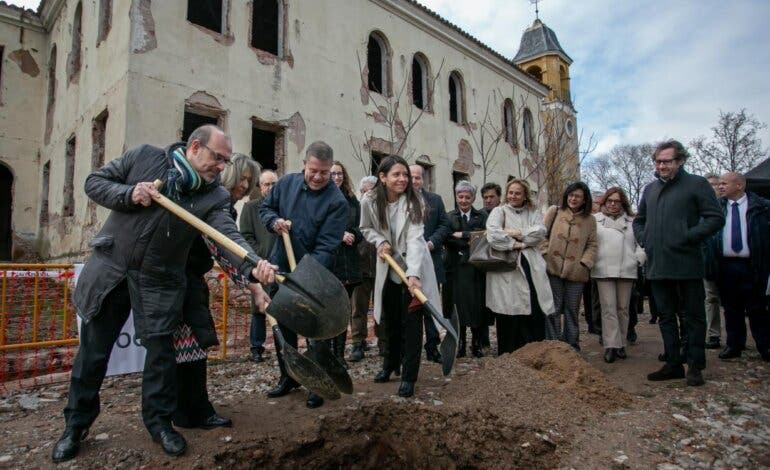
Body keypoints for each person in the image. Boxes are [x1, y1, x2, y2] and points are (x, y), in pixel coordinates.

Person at [52, 125, 275, 463]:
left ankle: (159, 424)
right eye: (218, 159)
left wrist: (253, 264)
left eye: (225, 161)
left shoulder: (212, 197)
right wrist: (130, 195)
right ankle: (75, 426)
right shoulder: (145, 158)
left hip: (158, 283)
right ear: (196, 147)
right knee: (93, 355)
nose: (221, 167)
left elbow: (227, 236)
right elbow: (93, 183)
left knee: (161, 357)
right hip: (112, 272)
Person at [173, 153, 259, 429]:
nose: (245, 185)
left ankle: (189, 410)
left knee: (192, 347)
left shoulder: (227, 208)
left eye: (250, 180)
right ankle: (191, 412)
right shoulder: (214, 203)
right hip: (179, 279)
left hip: (190, 280)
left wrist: (249, 283)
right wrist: (250, 280)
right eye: (242, 177)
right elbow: (222, 250)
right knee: (189, 346)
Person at [259, 141, 347, 409]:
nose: (318, 177)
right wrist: (274, 222)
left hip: (314, 278)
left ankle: (317, 384)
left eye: (324, 172)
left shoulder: (337, 202)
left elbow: (327, 246)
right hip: (280, 267)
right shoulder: (286, 184)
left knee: (314, 331)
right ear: (304, 165)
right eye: (313, 170)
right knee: (283, 329)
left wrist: (303, 277)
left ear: (330, 170)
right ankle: (289, 376)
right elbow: (266, 209)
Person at [633, 139, 724, 386]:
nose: (661, 166)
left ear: (680, 161)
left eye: (667, 161)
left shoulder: (696, 184)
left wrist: (687, 236)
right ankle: (673, 363)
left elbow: (715, 218)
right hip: (658, 264)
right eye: (658, 161)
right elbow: (639, 220)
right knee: (665, 316)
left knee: (693, 316)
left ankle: (694, 365)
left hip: (687, 262)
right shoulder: (650, 189)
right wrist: (646, 240)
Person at [360, 155, 441, 398]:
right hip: (388, 269)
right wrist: (380, 241)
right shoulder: (370, 200)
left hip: (412, 270)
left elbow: (416, 240)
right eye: (396, 174)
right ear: (382, 178)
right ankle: (390, 364)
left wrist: (414, 274)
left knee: (412, 325)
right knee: (389, 323)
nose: (403, 179)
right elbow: (366, 228)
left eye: (405, 174)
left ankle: (409, 377)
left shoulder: (415, 202)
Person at [487, 179, 555, 353]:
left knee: (532, 307)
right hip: (507, 268)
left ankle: (532, 352)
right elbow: (493, 235)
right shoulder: (499, 211)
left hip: (531, 266)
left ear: (525, 195)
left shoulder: (533, 212)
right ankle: (509, 354)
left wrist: (516, 233)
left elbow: (540, 233)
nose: (513, 196)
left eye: (518, 193)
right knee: (508, 310)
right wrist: (516, 244)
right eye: (510, 192)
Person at [713, 172, 770, 361]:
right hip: (726, 265)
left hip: (752, 265)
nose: (720, 187)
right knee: (731, 308)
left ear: (739, 185)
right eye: (719, 183)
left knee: (757, 308)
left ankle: (765, 346)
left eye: (724, 183)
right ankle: (734, 345)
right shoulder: (717, 208)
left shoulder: (761, 207)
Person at [542, 181, 597, 351]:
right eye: (571, 195)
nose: (573, 199)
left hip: (577, 272)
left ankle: (572, 345)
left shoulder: (590, 220)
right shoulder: (555, 211)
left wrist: (584, 263)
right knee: (553, 309)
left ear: (584, 199)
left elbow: (592, 245)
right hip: (553, 268)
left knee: (572, 309)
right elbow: (541, 235)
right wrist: (546, 254)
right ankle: (554, 345)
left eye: (578, 196)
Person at [592, 187, 645, 363]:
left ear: (623, 203)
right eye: (610, 201)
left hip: (626, 268)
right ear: (605, 202)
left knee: (623, 308)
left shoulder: (631, 221)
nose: (613, 205)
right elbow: (591, 243)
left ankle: (622, 343)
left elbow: (641, 243)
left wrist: (637, 259)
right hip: (603, 268)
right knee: (608, 308)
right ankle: (610, 345)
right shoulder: (595, 220)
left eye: (617, 201)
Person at [410, 165, 450, 363]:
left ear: (423, 179)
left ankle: (433, 347)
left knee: (431, 306)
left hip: (431, 261)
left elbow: (445, 225)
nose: (415, 181)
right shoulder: (400, 201)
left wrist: (431, 243)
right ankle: (410, 350)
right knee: (410, 309)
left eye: (418, 178)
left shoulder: (435, 200)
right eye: (412, 177)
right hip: (408, 265)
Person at [444, 181, 488, 357]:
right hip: (455, 267)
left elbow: (485, 236)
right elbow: (447, 237)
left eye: (467, 197)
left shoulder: (481, 216)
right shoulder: (448, 217)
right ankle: (460, 342)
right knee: (457, 305)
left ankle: (476, 343)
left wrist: (463, 234)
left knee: (476, 306)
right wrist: (470, 239)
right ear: (456, 197)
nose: (463, 200)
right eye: (460, 197)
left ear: (473, 198)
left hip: (475, 267)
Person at [240, 169, 279, 362]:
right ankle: (257, 347)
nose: (270, 188)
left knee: (280, 306)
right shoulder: (251, 208)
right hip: (260, 265)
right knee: (259, 307)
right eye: (266, 184)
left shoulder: (283, 207)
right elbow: (245, 236)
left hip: (280, 266)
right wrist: (261, 256)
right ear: (260, 186)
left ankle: (282, 346)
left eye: (274, 184)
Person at [330, 161, 363, 365]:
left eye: (340, 173)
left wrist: (353, 235)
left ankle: (339, 355)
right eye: (333, 173)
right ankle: (328, 354)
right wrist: (338, 235)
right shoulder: (321, 198)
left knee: (343, 310)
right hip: (330, 261)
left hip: (349, 262)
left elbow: (361, 229)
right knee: (331, 310)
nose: (336, 177)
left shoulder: (353, 201)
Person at [350, 176, 379, 362]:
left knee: (382, 308)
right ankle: (358, 343)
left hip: (380, 268)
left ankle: (384, 342)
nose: (367, 195)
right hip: (359, 268)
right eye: (364, 191)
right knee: (358, 309)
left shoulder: (382, 213)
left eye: (371, 191)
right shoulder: (354, 212)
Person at [478, 182, 502, 350]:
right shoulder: (478, 215)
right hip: (483, 265)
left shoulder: (505, 214)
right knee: (482, 304)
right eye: (485, 197)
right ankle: (483, 339)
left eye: (492, 196)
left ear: (499, 197)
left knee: (501, 304)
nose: (488, 200)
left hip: (501, 265)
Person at [703, 173, 723, 350]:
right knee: (711, 298)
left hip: (732, 260)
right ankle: (713, 335)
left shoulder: (729, 207)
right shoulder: (700, 209)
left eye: (716, 184)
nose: (714, 188)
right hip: (709, 259)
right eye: (708, 185)